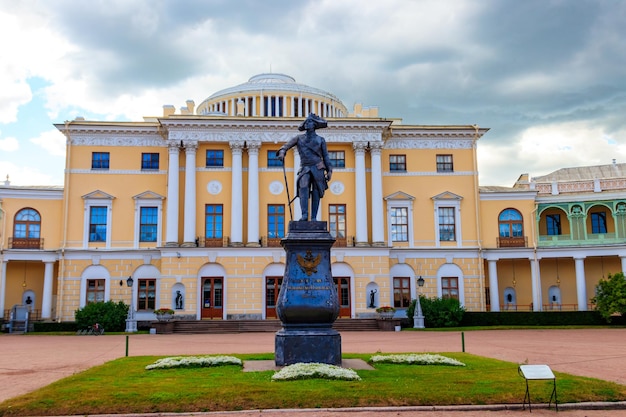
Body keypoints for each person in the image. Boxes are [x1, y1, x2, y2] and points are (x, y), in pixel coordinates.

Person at [277, 113, 333, 221]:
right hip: (305, 167)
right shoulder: (299, 138)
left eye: (310, 122)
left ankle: (314, 217)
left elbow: (325, 156)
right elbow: (286, 146)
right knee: (303, 187)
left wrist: (329, 170)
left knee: (316, 191)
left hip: (318, 167)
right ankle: (304, 215)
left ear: (314, 125)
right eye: (306, 122)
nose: (307, 124)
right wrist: (282, 152)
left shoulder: (320, 140)